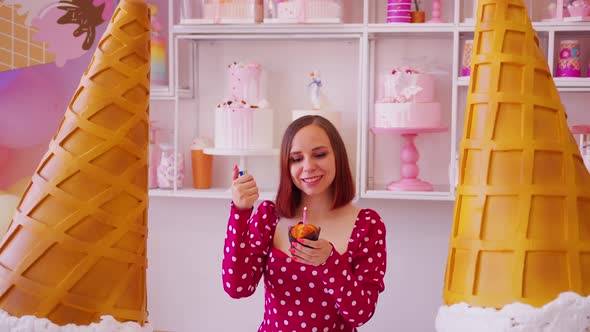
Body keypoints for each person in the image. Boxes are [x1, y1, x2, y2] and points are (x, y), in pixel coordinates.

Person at [222, 115, 387, 332]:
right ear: (286, 165)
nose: (308, 166)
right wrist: (240, 213)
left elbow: (360, 314)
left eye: (319, 154)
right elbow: (238, 288)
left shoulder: (367, 225)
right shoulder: (269, 217)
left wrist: (330, 262)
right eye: (296, 159)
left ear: (338, 156)